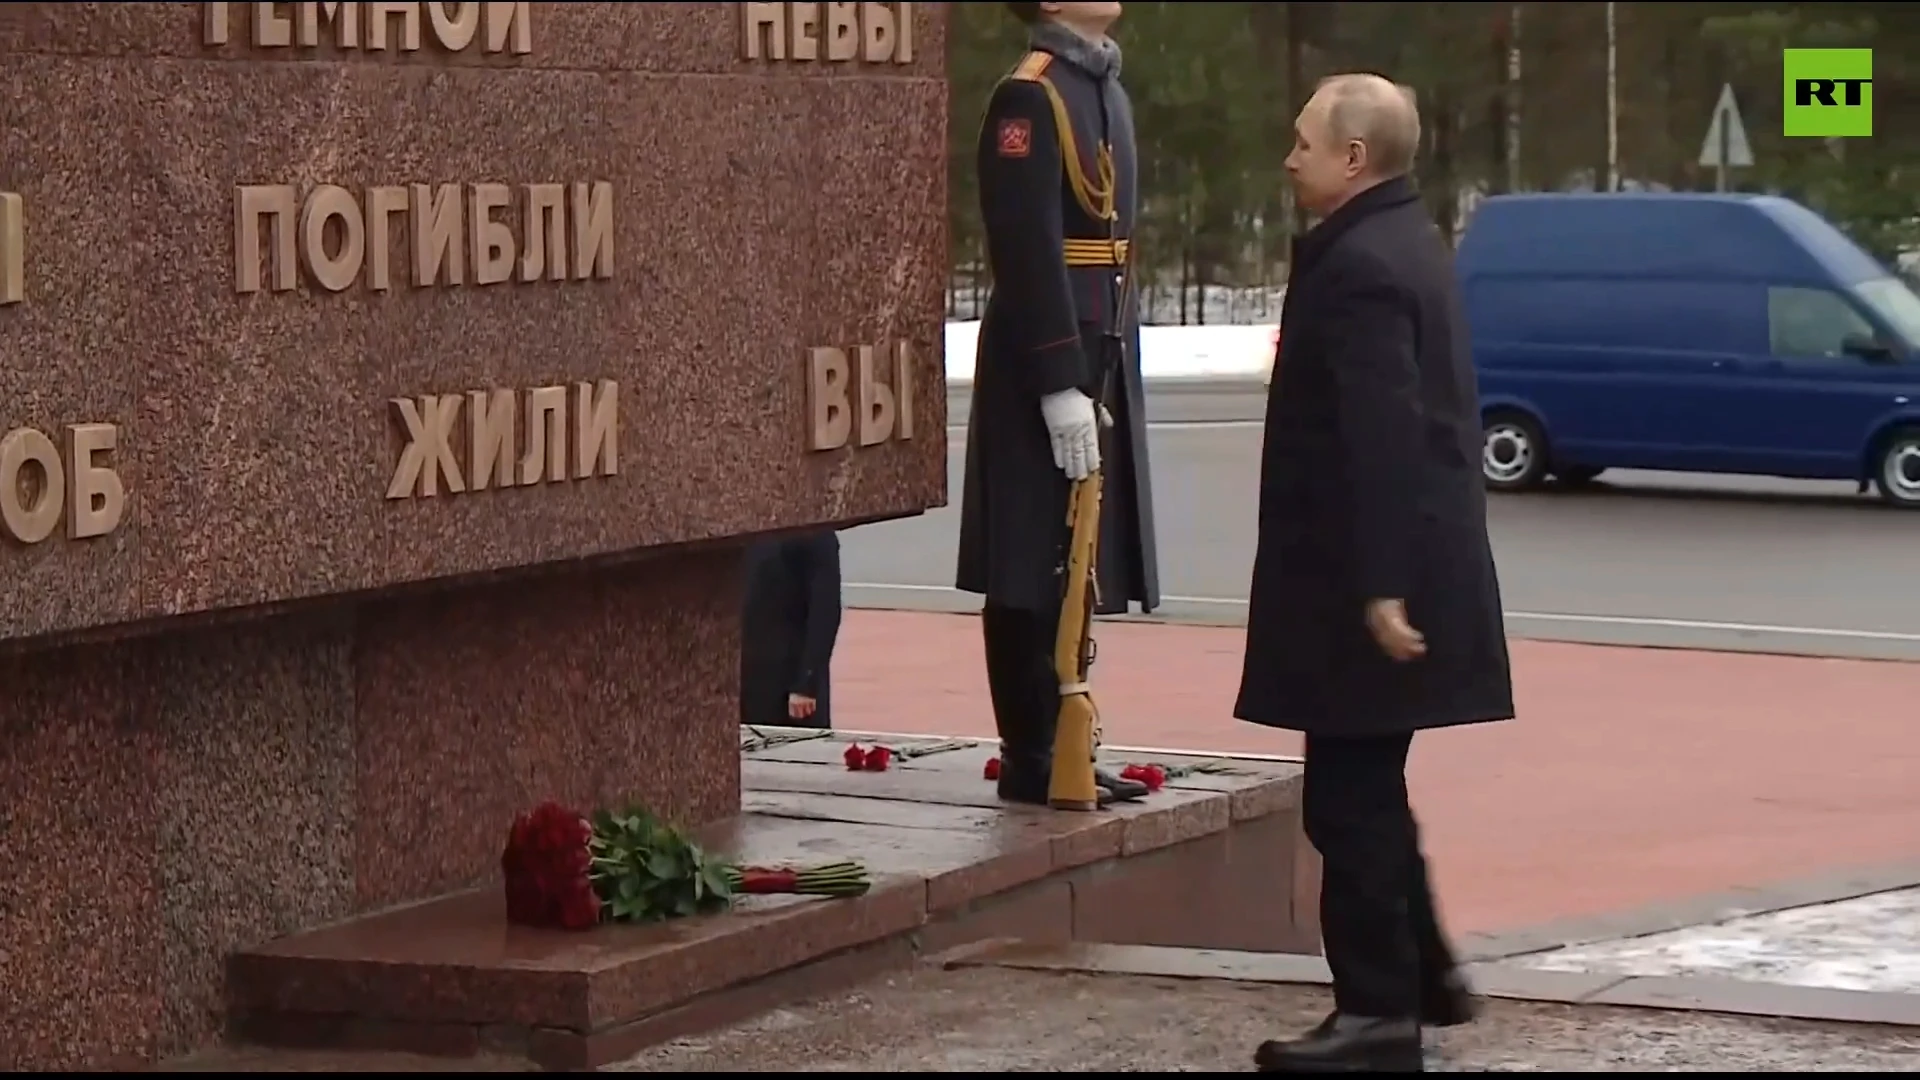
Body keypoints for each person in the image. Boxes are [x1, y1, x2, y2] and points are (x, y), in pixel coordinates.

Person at [1235, 73, 1516, 1073]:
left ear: (1353, 159)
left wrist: (1383, 585)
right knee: (1369, 786)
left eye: (1304, 141)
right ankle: (1424, 973)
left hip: (1370, 577)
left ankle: (1375, 1017)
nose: (1290, 155)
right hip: (1391, 565)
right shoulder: (1404, 239)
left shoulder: (1359, 266)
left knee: (1346, 799)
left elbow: (1383, 432)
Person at [956, 1, 1160, 808]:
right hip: (1045, 350)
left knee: (1079, 558)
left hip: (1098, 337)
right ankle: (1031, 751)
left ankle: (1066, 730)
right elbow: (1025, 242)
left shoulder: (1101, 85)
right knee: (1030, 559)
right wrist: (1055, 379)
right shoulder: (1029, 96)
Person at [740, 529, 843, 730]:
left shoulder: (814, 534)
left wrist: (806, 682)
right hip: (747, 677)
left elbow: (825, 611)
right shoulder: (749, 529)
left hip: (788, 684)